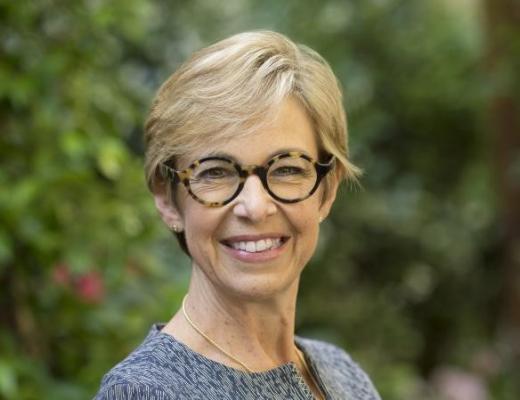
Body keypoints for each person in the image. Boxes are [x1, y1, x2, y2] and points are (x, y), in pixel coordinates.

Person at [94, 31, 381, 400]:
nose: (256, 207)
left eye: (287, 169)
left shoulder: (344, 377)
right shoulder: (145, 392)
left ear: (327, 191)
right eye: (215, 172)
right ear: (167, 198)